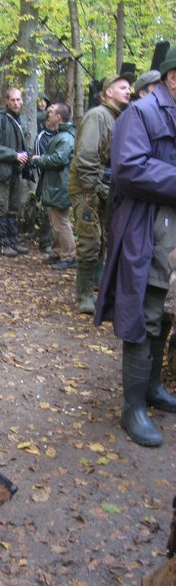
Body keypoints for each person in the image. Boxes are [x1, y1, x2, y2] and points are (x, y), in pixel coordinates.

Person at [94, 46, 176, 448]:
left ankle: (153, 388)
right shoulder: (140, 114)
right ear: (173, 77)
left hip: (171, 228)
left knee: (166, 313)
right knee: (144, 313)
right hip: (146, 228)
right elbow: (128, 169)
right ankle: (133, 407)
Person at [67, 73, 131, 314]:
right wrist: (92, 190)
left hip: (103, 188)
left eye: (129, 87)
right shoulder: (97, 116)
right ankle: (83, 295)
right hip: (87, 188)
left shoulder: (117, 118)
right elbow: (86, 156)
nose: (128, 90)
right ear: (107, 93)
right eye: (122, 87)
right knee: (91, 241)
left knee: (103, 239)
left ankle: (96, 287)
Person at [0, 86, 31, 257]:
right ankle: (3, 244)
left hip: (16, 172)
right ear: (6, 101)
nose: (16, 103)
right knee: (1, 207)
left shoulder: (21, 120)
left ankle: (13, 240)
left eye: (19, 99)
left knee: (13, 207)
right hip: (2, 172)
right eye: (13, 100)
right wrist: (14, 155)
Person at [32, 103, 76, 270]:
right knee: (54, 220)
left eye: (50, 112)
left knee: (61, 222)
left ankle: (69, 256)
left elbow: (59, 159)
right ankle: (58, 252)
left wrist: (39, 159)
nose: (47, 114)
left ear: (58, 117)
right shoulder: (61, 135)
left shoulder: (65, 138)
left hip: (61, 185)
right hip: (56, 184)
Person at [33, 107, 56, 255]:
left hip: (61, 180)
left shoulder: (64, 134)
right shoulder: (42, 136)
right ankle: (45, 242)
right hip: (47, 180)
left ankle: (56, 242)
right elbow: (38, 160)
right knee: (48, 212)